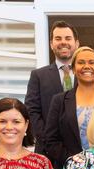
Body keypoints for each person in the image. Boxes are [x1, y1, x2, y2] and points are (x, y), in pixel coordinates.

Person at [44, 46, 94, 169]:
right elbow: (51, 140)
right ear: (73, 70)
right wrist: (76, 161)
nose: (86, 66)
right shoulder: (59, 101)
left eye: (91, 62)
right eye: (81, 62)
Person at [25, 21, 80, 155]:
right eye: (58, 38)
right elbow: (32, 110)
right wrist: (49, 140)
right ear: (51, 44)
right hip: (48, 150)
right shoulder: (38, 75)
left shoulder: (89, 74)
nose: (63, 42)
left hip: (82, 149)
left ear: (77, 43)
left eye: (68, 38)